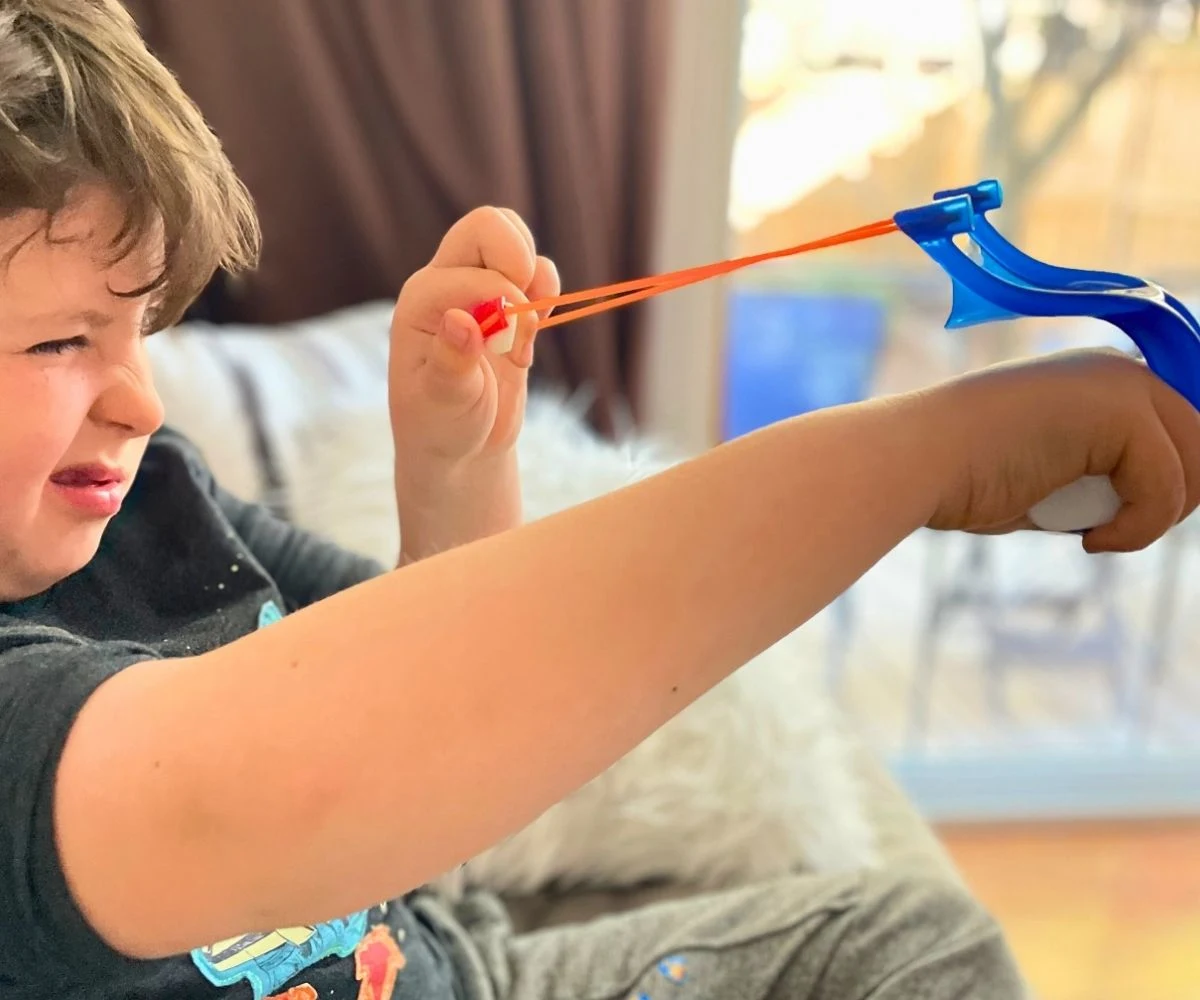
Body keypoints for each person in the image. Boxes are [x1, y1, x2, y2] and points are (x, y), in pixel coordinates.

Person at [2, 3, 1197, 999]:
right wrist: (923, 455)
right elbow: (276, 792)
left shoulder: (164, 502)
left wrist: (459, 464)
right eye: (62, 341)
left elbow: (459, 711)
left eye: (145, 330)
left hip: (454, 974)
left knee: (904, 946)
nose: (140, 402)